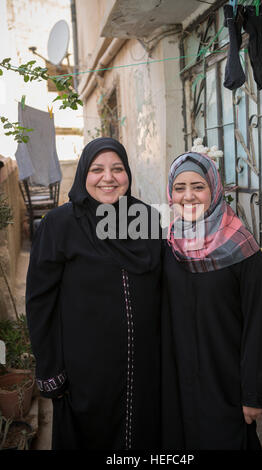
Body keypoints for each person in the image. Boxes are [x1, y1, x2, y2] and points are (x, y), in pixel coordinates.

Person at [26, 137, 162, 450]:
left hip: (144, 372)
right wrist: (50, 370)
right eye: (97, 169)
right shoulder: (59, 226)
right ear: (84, 173)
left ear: (127, 173)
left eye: (117, 169)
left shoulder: (147, 219)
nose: (108, 177)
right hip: (84, 374)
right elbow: (39, 303)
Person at [162, 151, 262, 450]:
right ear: (170, 194)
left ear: (215, 188)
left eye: (198, 186)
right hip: (178, 384)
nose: (188, 196)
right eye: (179, 188)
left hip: (225, 384)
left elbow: (256, 328)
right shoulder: (168, 245)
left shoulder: (243, 251)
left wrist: (252, 394)